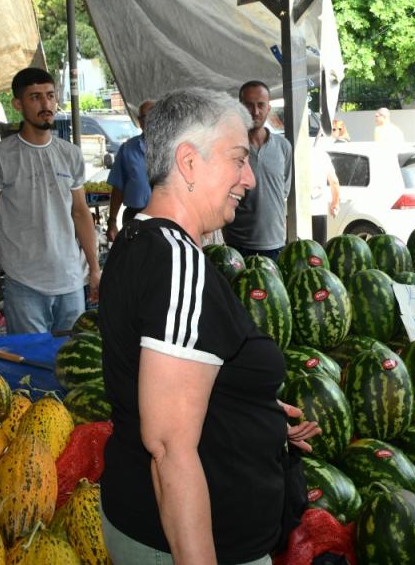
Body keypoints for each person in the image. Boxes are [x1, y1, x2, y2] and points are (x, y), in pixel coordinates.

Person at [98, 87, 320, 564]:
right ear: (189, 163)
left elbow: (162, 375)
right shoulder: (177, 262)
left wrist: (252, 409)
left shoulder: (140, 237)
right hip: (183, 543)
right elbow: (169, 449)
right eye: (238, 159)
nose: (250, 178)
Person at [0, 67, 101, 334]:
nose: (46, 104)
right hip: (24, 284)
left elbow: (80, 213)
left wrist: (95, 268)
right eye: (35, 97)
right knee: (30, 367)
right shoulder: (0, 157)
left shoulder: (70, 154)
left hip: (70, 281)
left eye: (50, 95)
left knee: (71, 366)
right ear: (18, 104)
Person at [222, 81, 291, 259]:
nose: (255, 112)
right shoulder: (230, 147)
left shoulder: (283, 147)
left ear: (269, 107)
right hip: (238, 245)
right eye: (249, 105)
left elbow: (284, 189)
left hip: (275, 244)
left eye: (261, 105)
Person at [106, 99, 155, 242]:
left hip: (165, 216)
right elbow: (118, 188)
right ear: (140, 122)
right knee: (135, 260)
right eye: (143, 118)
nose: (147, 121)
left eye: (152, 116)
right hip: (134, 216)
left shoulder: (172, 148)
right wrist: (112, 221)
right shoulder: (127, 149)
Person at [309, 135, 340, 244]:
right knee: (318, 250)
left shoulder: (296, 153)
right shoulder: (322, 156)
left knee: (297, 249)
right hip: (317, 209)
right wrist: (335, 204)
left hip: (297, 210)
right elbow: (334, 181)